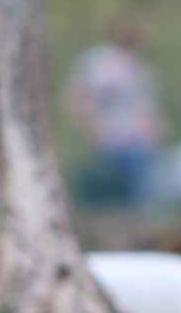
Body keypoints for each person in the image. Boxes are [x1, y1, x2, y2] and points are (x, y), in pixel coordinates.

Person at [67, 23, 166, 206]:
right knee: (118, 199)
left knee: (142, 197)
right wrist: (92, 131)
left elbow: (148, 111)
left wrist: (155, 134)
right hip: (112, 142)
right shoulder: (102, 65)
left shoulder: (139, 70)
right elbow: (80, 99)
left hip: (138, 144)